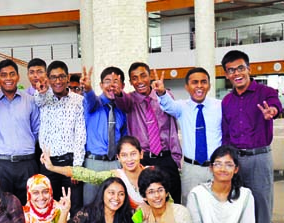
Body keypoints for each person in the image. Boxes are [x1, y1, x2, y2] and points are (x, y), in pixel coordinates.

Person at [41, 136, 146, 223]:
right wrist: (53, 168)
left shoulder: (151, 173)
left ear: (141, 154)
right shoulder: (116, 176)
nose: (129, 159)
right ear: (118, 158)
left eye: (133, 154)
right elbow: (88, 175)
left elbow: (167, 203)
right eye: (124, 155)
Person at [220, 50, 281, 223]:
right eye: (231, 70)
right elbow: (225, 135)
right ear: (226, 74)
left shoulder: (266, 93)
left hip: (259, 158)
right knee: (237, 220)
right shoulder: (227, 101)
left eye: (240, 68)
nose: (237, 73)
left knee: (262, 219)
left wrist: (273, 112)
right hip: (235, 163)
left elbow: (277, 106)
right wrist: (225, 165)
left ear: (249, 69)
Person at [0, 60, 41, 205]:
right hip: (1, 165)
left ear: (18, 76)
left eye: (12, 74)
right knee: (4, 208)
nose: (8, 78)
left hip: (27, 163)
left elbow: (36, 131)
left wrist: (25, 146)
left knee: (31, 207)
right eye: (4, 75)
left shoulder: (30, 101)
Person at [114, 62, 182, 202]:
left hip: (166, 158)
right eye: (135, 78)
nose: (139, 81)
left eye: (143, 76)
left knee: (173, 201)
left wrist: (175, 159)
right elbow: (122, 102)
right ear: (131, 82)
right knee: (146, 201)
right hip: (144, 160)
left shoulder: (164, 95)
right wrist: (119, 93)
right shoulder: (130, 100)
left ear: (150, 76)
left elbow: (173, 125)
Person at [156, 67, 221, 204]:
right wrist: (162, 92)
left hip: (217, 167)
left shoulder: (220, 106)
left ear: (209, 85)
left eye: (203, 82)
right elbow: (168, 106)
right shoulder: (181, 107)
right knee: (190, 206)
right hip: (191, 169)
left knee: (216, 206)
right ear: (187, 86)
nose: (199, 86)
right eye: (194, 82)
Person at [33, 60, 86, 211]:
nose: (58, 81)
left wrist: (77, 166)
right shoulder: (45, 98)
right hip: (49, 164)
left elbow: (80, 134)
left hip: (70, 162)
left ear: (68, 78)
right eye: (54, 77)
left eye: (61, 76)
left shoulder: (78, 101)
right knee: (48, 207)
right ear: (48, 79)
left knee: (73, 207)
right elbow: (38, 99)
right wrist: (42, 90)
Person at [81, 66, 127, 205]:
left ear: (123, 86)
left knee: (115, 204)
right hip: (94, 163)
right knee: (90, 205)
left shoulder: (122, 109)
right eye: (107, 81)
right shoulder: (93, 104)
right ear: (101, 85)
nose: (111, 85)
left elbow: (124, 136)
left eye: (116, 81)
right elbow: (90, 98)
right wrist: (87, 89)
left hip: (115, 164)